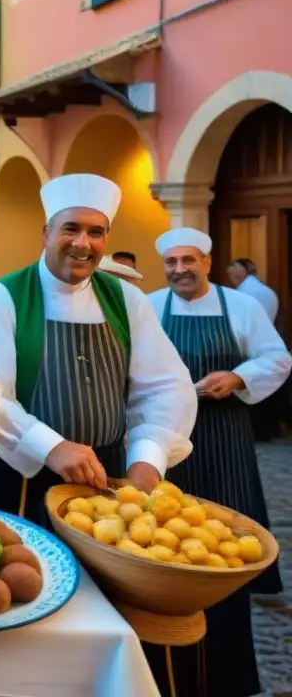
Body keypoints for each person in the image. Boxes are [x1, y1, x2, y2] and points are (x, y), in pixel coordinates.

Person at [0, 174, 197, 526]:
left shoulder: (126, 298)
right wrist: (51, 446)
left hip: (105, 480)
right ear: (46, 234)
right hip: (23, 478)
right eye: (70, 229)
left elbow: (166, 384)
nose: (82, 243)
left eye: (96, 232)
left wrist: (147, 457)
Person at [145, 227, 289, 697]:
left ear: (207, 263)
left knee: (223, 555)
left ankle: (232, 678)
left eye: (189, 261)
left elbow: (277, 358)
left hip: (224, 438)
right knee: (165, 549)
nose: (180, 271)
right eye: (172, 263)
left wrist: (238, 375)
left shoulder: (242, 307)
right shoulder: (149, 306)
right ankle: (166, 669)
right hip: (168, 441)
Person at [227, 258, 278, 322]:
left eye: (234, 267)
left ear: (244, 271)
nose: (228, 270)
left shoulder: (241, 293)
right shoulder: (270, 292)